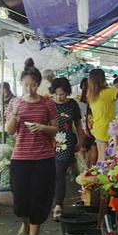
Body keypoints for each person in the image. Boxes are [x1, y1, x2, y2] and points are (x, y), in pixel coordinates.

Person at [5, 58, 58, 235]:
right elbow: (9, 131)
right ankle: (24, 223)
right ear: (21, 84)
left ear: (39, 84)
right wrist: (15, 114)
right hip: (20, 158)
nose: (30, 88)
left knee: (39, 198)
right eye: (26, 84)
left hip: (43, 158)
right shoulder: (14, 103)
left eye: (33, 84)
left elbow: (56, 130)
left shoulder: (47, 103)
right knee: (20, 199)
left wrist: (43, 128)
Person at [50, 77, 83, 221]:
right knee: (51, 174)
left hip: (66, 142)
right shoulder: (48, 104)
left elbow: (78, 124)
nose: (59, 97)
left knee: (59, 173)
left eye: (62, 94)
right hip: (50, 141)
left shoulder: (73, 105)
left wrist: (80, 141)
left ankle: (58, 205)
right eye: (56, 93)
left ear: (67, 92)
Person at [87, 68, 118, 162]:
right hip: (106, 129)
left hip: (97, 128)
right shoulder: (107, 92)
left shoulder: (91, 93)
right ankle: (99, 176)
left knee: (100, 157)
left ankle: (95, 175)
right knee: (105, 159)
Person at [77, 78, 97, 167]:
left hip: (82, 128)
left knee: (83, 149)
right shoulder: (94, 100)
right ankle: (91, 170)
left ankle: (85, 168)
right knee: (94, 149)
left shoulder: (78, 102)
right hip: (93, 128)